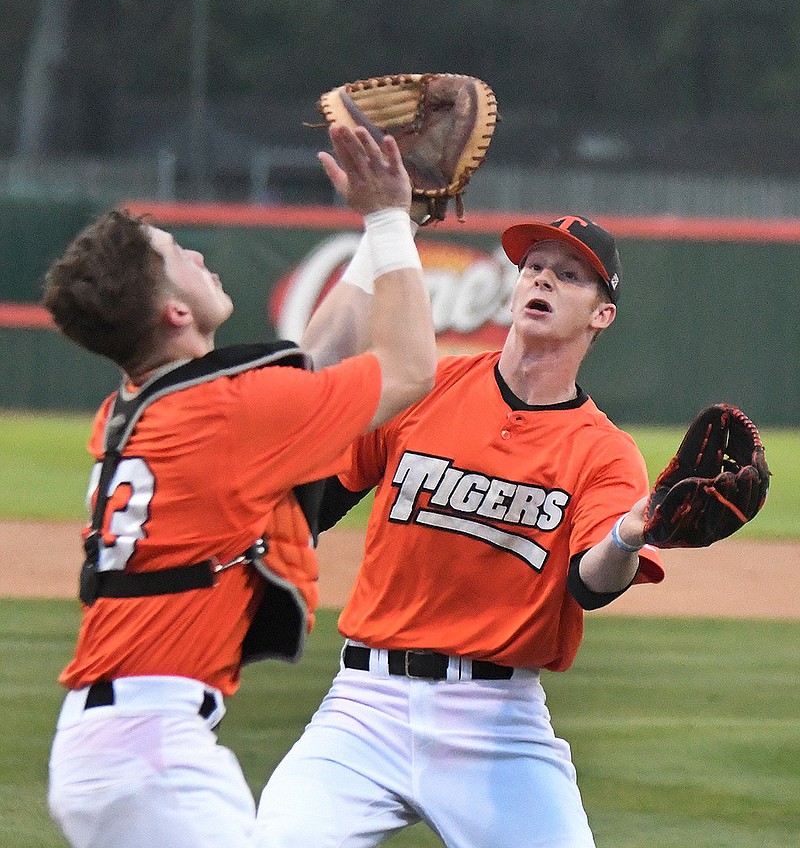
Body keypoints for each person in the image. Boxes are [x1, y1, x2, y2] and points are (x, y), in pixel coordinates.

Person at [44, 122, 438, 848]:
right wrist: (386, 221)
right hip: (152, 755)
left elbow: (313, 362)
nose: (194, 251)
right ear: (176, 313)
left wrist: (387, 230)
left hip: (114, 744)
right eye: (175, 255)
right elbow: (410, 367)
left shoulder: (139, 406)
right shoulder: (226, 415)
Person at [256, 214, 665, 848]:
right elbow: (317, 502)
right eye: (533, 267)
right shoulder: (428, 385)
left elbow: (591, 583)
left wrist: (627, 538)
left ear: (601, 315)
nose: (542, 279)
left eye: (569, 275)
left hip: (498, 725)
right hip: (366, 707)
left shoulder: (604, 453)